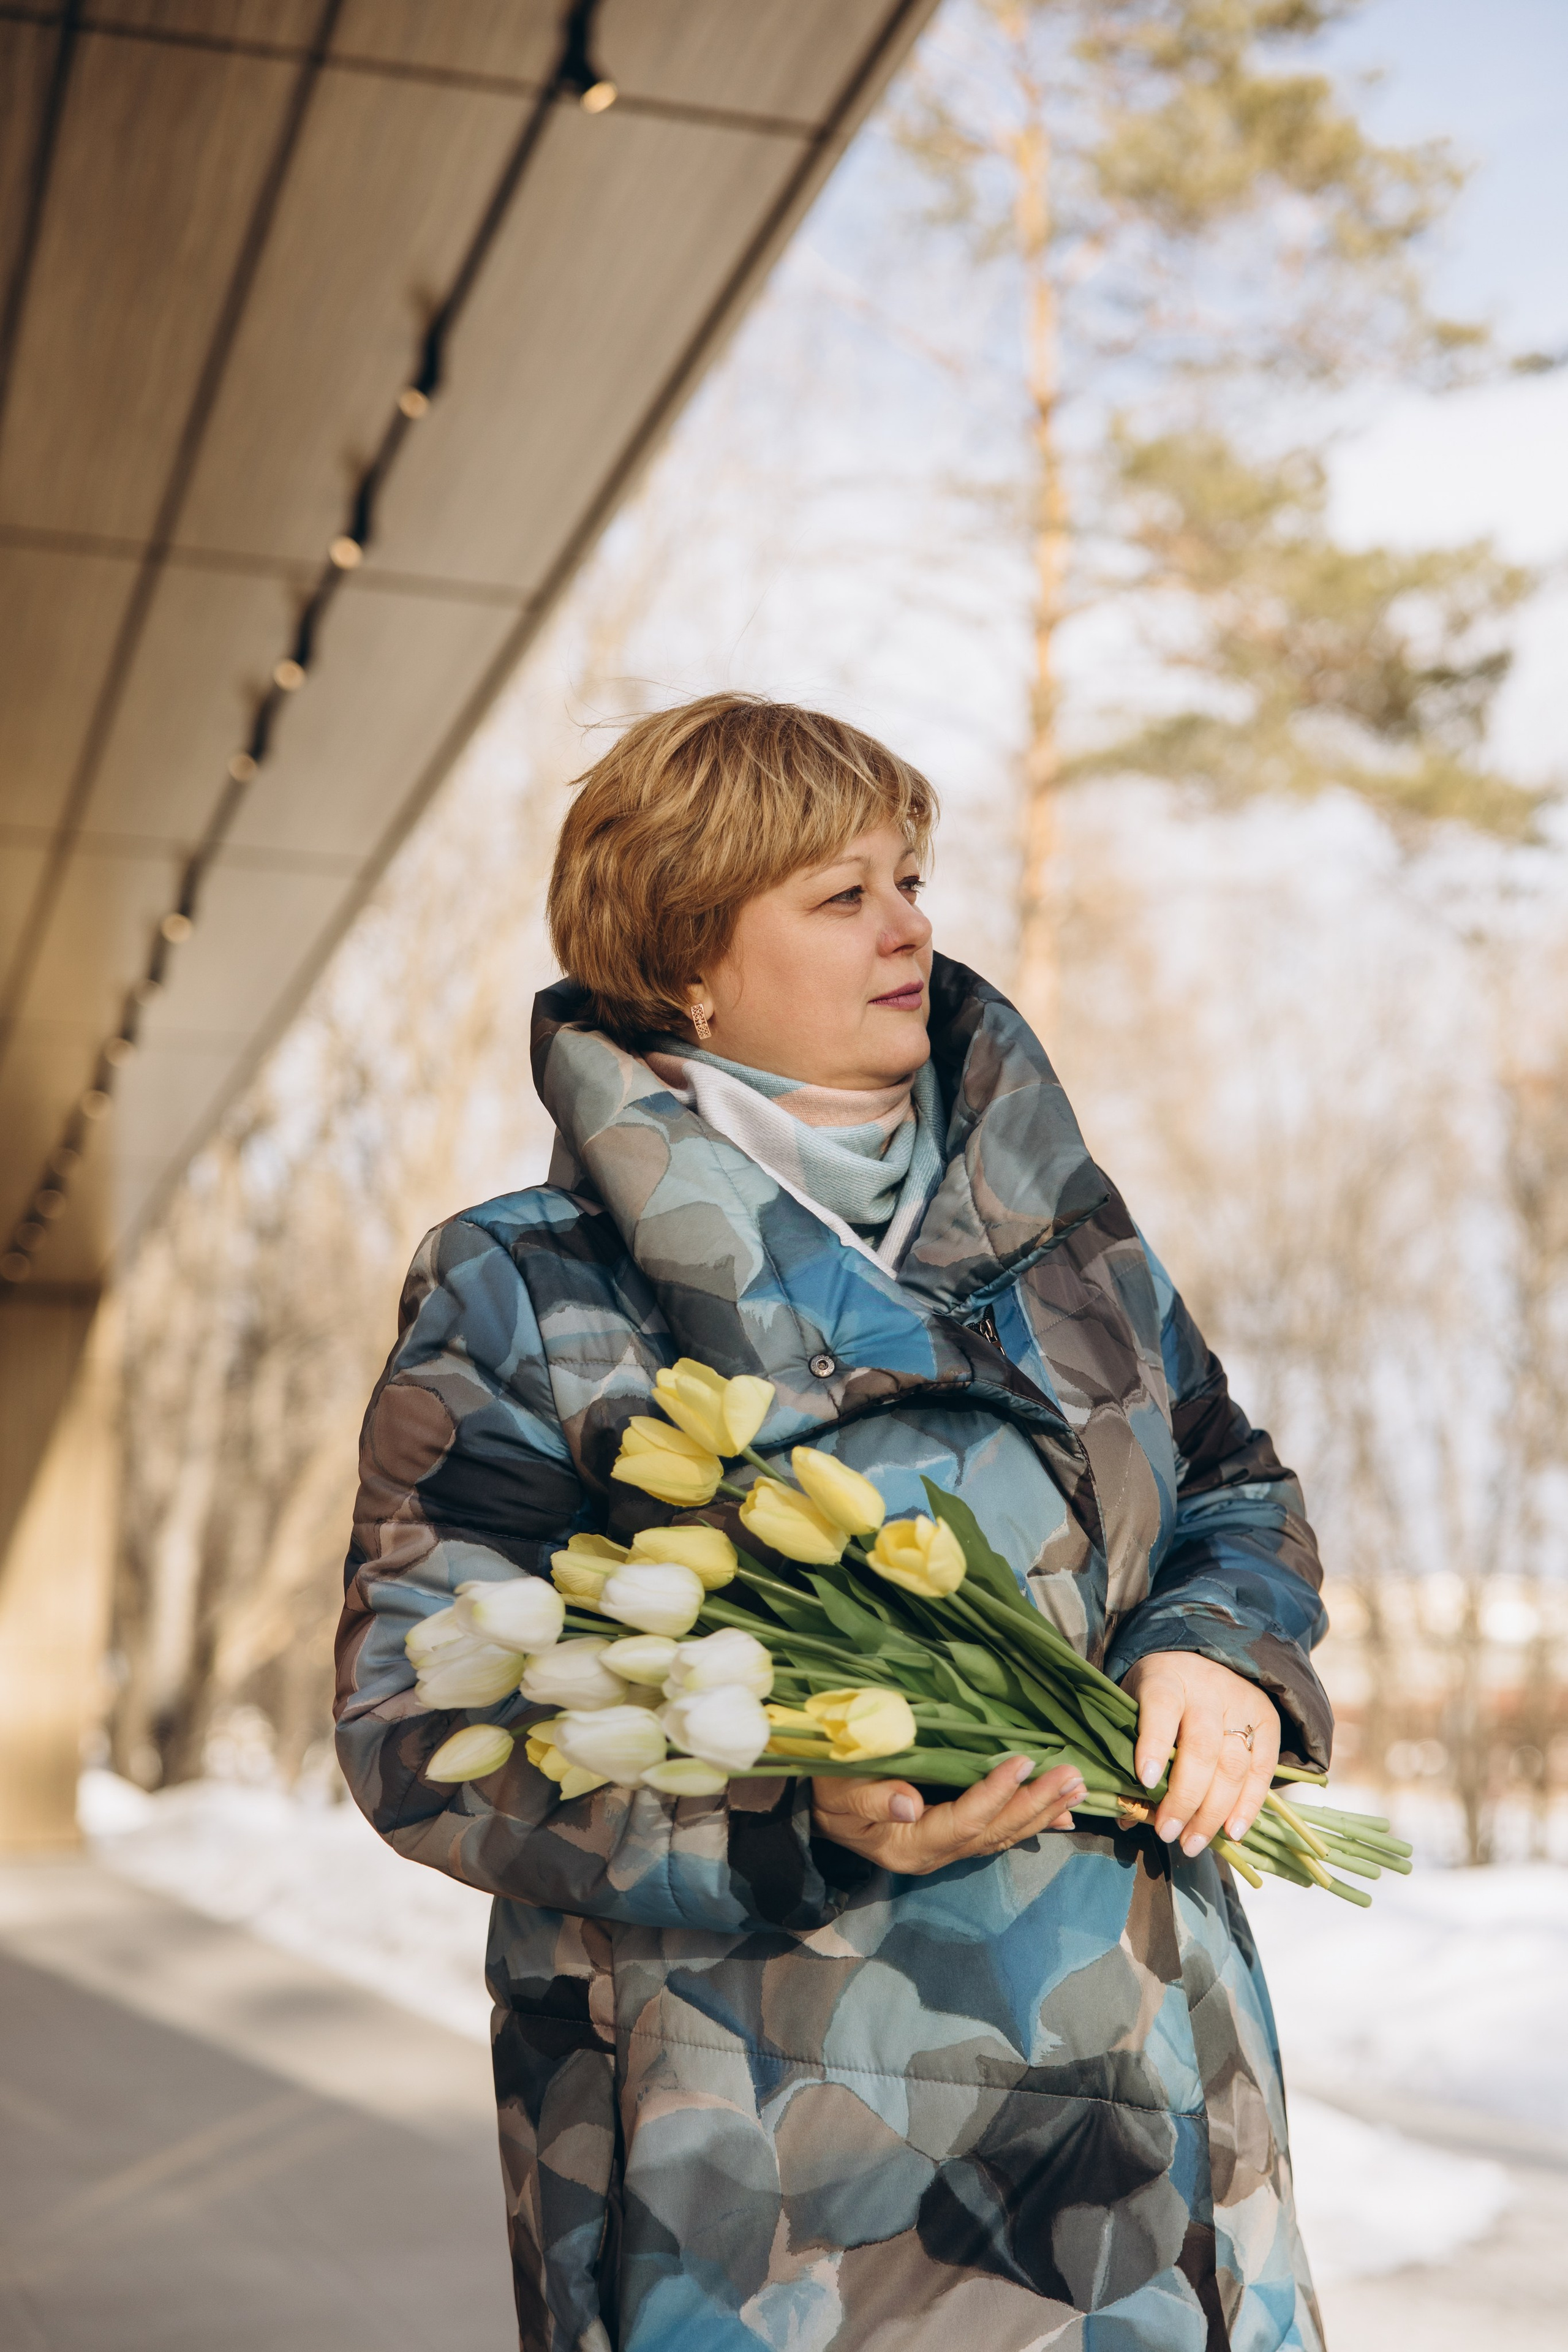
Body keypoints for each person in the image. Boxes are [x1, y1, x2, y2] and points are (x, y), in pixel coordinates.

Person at [335, 693, 1331, 2352]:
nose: (912, 926)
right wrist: (793, 1807)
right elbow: (420, 1717)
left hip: (1149, 2118)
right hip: (776, 2166)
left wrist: (1219, 1651)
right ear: (688, 963)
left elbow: (1230, 1482)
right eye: (842, 894)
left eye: (911, 879)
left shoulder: (1071, 1254)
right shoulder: (531, 1289)